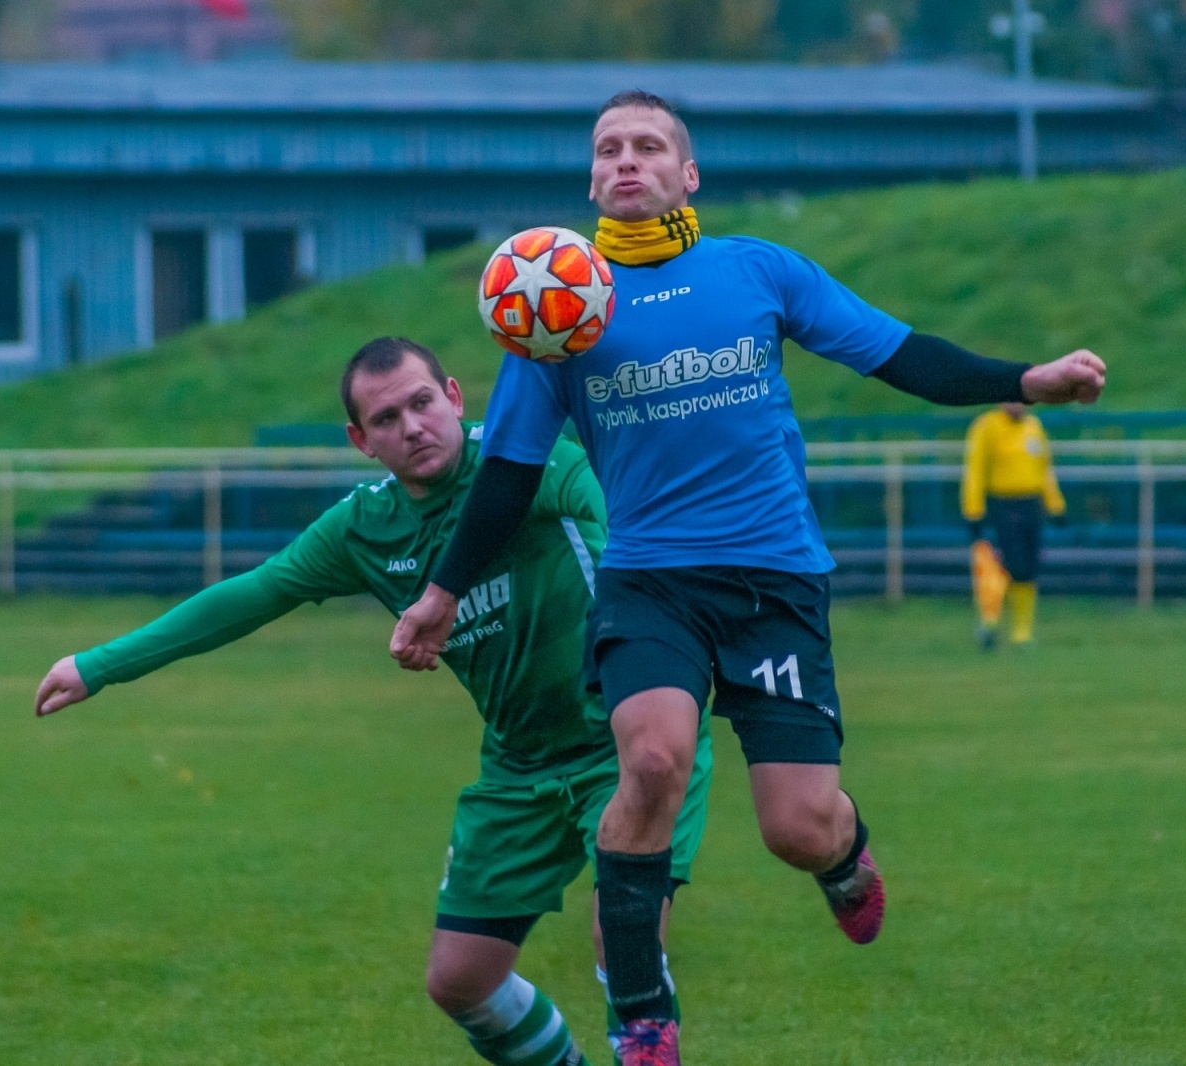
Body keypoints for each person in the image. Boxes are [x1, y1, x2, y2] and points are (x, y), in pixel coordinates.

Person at [389, 91, 1106, 1065]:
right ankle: (641, 1012)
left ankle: (844, 855)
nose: (626, 161)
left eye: (649, 146)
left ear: (689, 176)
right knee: (650, 760)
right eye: (608, 149)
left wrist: (1027, 380)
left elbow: (900, 355)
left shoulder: (756, 269)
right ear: (591, 180)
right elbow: (508, 473)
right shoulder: (555, 314)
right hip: (650, 583)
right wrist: (437, 592)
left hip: (773, 580)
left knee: (795, 826)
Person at [33, 337, 713, 1066]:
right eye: (386, 419)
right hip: (520, 767)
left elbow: (616, 522)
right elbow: (251, 596)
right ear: (361, 441)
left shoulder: (530, 459)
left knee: (626, 928)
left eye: (422, 403)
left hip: (628, 740)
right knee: (461, 981)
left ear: (453, 397)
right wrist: (99, 665)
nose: (412, 426)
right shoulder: (365, 527)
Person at [961, 402, 1068, 649]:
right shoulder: (987, 426)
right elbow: (975, 469)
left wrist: (1056, 505)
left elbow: (1044, 469)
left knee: (1029, 567)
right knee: (1004, 564)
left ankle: (1022, 632)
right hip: (1002, 504)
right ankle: (990, 621)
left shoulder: (1033, 427)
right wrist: (973, 509)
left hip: (1032, 504)